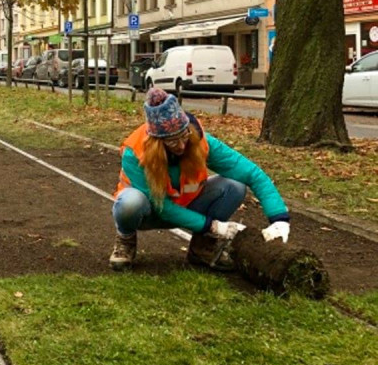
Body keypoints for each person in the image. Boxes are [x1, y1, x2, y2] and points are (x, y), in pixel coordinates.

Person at [109, 87, 291, 271]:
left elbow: (251, 173)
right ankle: (126, 239)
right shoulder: (135, 151)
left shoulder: (200, 141)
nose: (181, 146)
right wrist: (213, 226)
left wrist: (279, 219)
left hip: (188, 206)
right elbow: (161, 207)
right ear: (157, 142)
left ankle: (201, 248)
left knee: (234, 186)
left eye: (183, 136)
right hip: (148, 213)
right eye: (172, 141)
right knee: (129, 202)